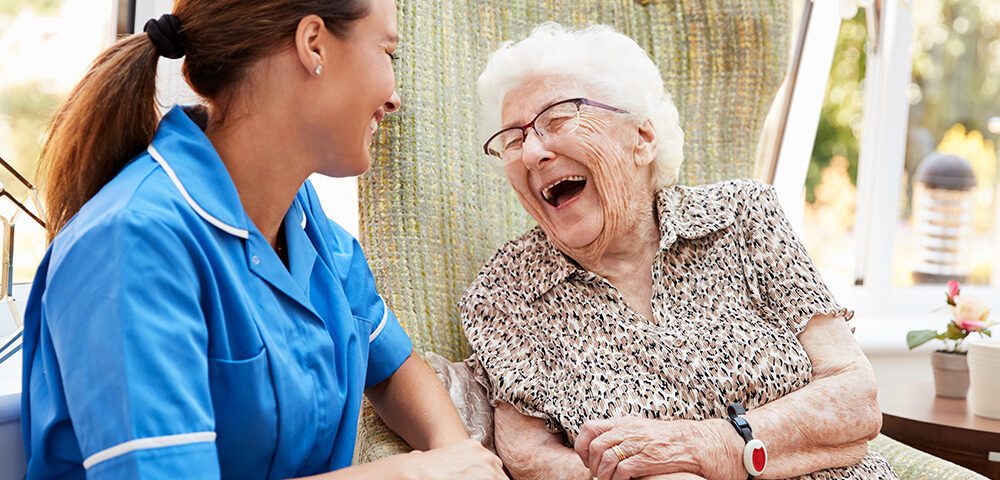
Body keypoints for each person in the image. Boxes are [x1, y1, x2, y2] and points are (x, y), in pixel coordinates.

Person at [20, 1, 505, 479]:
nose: (395, 96)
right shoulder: (129, 244)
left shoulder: (301, 218)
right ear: (313, 45)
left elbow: (391, 365)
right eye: (387, 53)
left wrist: (458, 452)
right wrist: (417, 474)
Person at [462, 23, 897, 480]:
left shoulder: (742, 215)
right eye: (513, 139)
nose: (531, 153)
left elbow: (855, 398)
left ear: (642, 139)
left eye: (557, 119)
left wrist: (707, 447)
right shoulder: (506, 292)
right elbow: (529, 457)